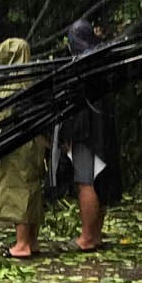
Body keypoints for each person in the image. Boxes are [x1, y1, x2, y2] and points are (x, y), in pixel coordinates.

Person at [59, 19, 123, 252]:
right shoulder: (102, 62)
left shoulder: (79, 66)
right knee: (99, 180)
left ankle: (86, 237)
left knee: (85, 181)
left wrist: (67, 136)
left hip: (85, 131)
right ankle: (95, 235)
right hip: (104, 130)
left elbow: (73, 106)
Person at [0, 37, 47, 259]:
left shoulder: (10, 85)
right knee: (32, 189)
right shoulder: (33, 81)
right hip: (34, 144)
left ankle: (21, 245)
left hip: (17, 147)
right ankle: (32, 240)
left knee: (17, 191)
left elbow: (0, 117)